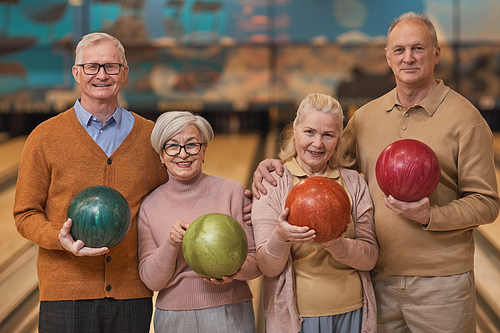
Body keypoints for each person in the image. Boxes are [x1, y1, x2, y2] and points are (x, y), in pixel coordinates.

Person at [253, 12, 500, 333]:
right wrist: (271, 164)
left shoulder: (466, 119)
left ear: (436, 54)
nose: (408, 58)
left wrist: (431, 214)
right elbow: (324, 164)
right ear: (387, 56)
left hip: (441, 284)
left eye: (418, 49)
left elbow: (486, 203)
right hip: (375, 281)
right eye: (399, 50)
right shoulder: (366, 118)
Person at [251, 93, 377, 333]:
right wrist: (281, 235)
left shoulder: (353, 183)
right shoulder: (272, 183)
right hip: (296, 319)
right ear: (295, 130)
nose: (317, 144)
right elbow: (267, 266)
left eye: (328, 135)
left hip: (353, 313)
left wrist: (336, 244)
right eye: (309, 132)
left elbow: (370, 257)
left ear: (338, 138)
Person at [137, 111, 261, 333]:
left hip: (230, 309)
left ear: (204, 149)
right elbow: (151, 281)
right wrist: (171, 244)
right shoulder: (148, 206)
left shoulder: (232, 191)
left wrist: (235, 271)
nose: (183, 154)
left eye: (192, 145)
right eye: (172, 146)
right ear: (161, 155)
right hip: (173, 318)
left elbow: (256, 261)